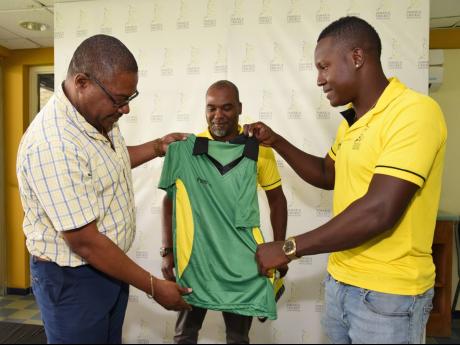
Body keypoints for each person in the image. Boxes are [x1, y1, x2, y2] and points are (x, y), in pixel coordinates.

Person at [244, 16, 447, 344]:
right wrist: (277, 141)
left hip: (387, 297)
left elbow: (380, 210)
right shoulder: (353, 123)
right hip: (341, 284)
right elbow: (327, 174)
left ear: (356, 57)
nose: (319, 79)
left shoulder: (414, 112)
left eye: (323, 66)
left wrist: (289, 247)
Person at [16, 34, 192, 344]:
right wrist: (153, 286)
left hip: (107, 269)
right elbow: (85, 242)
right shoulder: (54, 144)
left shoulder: (99, 114)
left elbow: (110, 163)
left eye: (130, 98)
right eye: (119, 99)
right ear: (82, 82)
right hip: (73, 280)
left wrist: (156, 146)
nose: (125, 110)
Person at [160, 80, 288, 344]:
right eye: (211, 108)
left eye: (226, 108)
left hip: (242, 262)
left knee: (238, 337)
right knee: (184, 335)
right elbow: (169, 202)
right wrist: (168, 251)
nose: (218, 116)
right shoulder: (189, 148)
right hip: (197, 260)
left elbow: (277, 200)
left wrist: (279, 248)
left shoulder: (258, 148)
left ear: (240, 108)